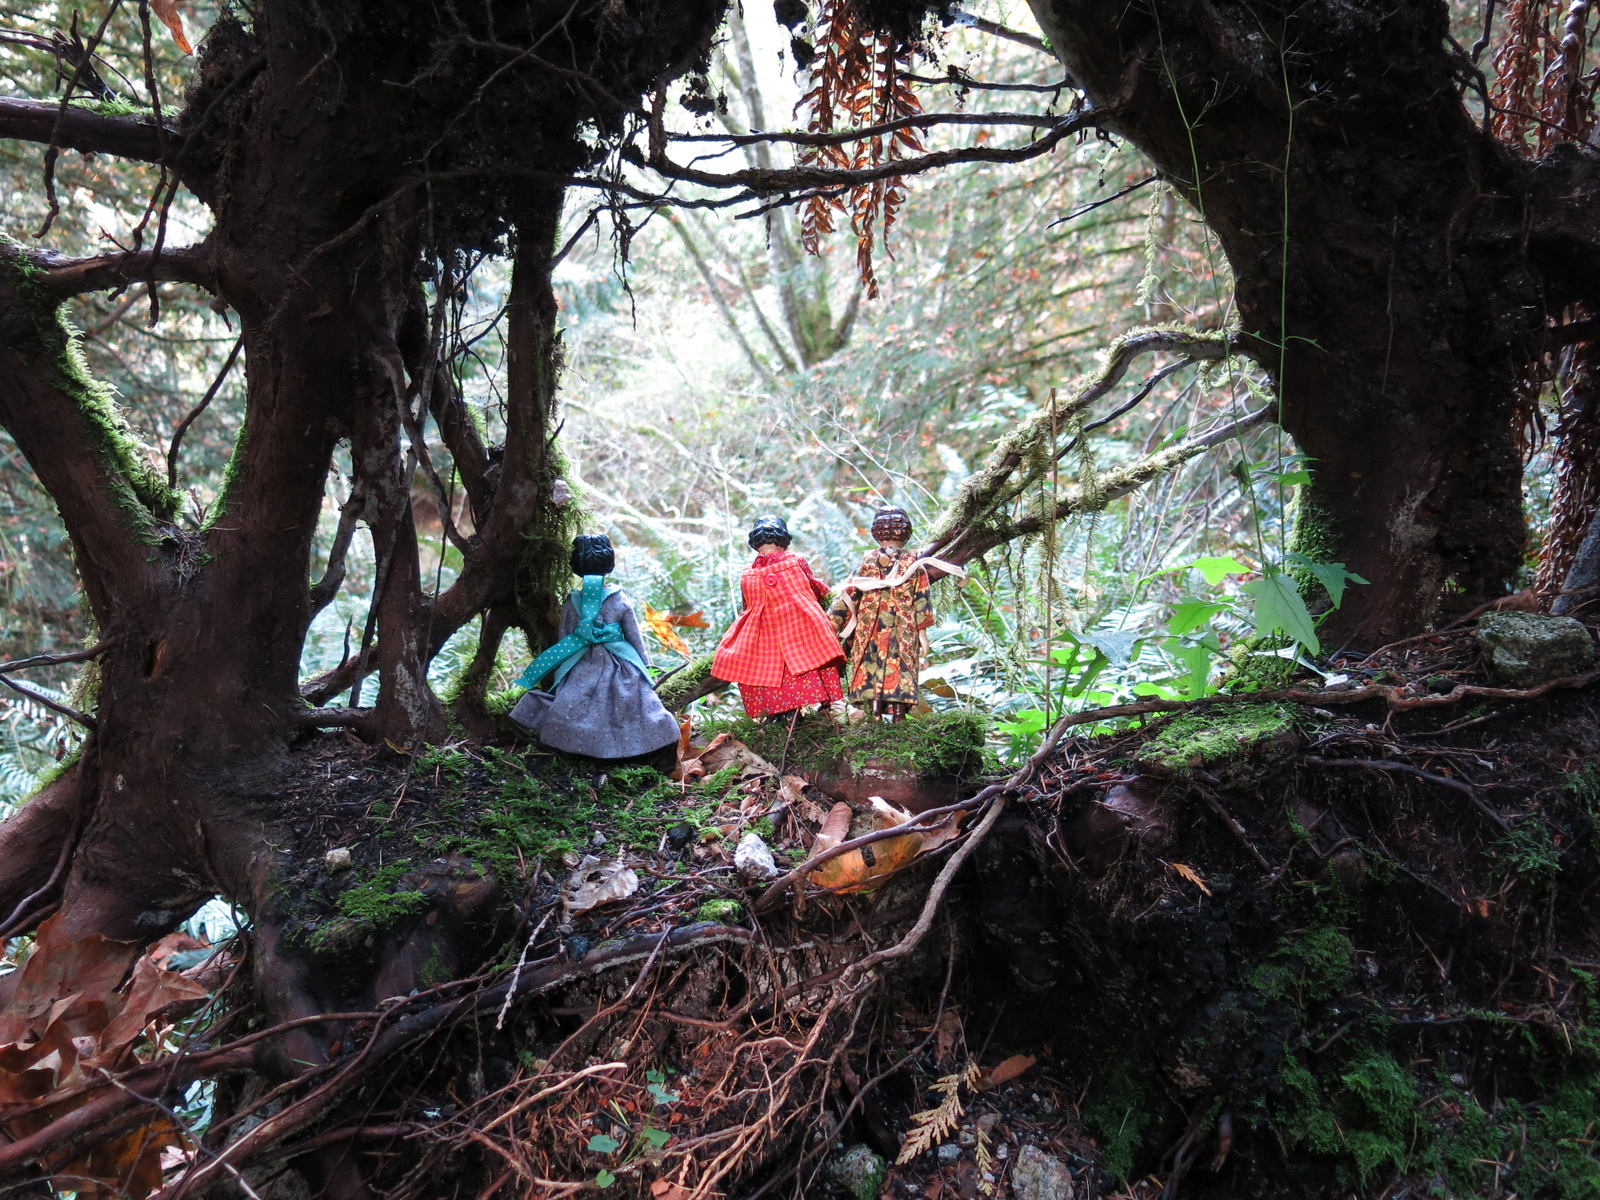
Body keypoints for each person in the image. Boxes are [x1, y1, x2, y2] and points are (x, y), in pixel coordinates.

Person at [509, 534, 681, 759]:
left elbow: (566, 636)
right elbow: (634, 636)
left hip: (584, 663)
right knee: (633, 701)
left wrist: (563, 668)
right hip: (620, 664)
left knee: (575, 702)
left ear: (576, 565)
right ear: (609, 563)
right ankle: (632, 745)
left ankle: (578, 744)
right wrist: (644, 665)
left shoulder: (573, 602)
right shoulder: (619, 599)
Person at [712, 515, 845, 721]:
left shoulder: (748, 573)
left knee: (767, 669)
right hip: (798, 626)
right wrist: (826, 596)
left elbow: (746, 605)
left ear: (754, 543)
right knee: (808, 660)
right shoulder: (795, 562)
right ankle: (810, 705)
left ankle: (781, 712)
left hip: (764, 634)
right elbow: (813, 585)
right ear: (784, 539)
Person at [830, 506, 934, 721]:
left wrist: (922, 631)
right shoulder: (868, 560)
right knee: (870, 665)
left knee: (900, 666)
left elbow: (921, 596)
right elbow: (851, 591)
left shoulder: (913, 562)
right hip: (872, 624)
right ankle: (875, 713)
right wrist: (833, 620)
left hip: (900, 626)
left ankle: (898, 715)